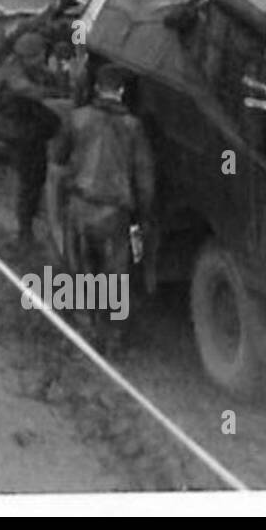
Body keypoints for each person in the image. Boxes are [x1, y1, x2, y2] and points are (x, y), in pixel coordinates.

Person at [49, 64, 155, 348]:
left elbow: (57, 165)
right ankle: (113, 337)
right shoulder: (133, 127)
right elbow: (144, 179)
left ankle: (84, 330)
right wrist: (143, 220)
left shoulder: (76, 119)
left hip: (79, 207)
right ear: (121, 91)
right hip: (114, 214)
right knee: (115, 276)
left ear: (97, 88)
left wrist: (56, 210)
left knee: (80, 270)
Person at [0, 32, 63, 247]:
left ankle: (32, 222)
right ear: (28, 57)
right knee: (29, 183)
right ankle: (24, 233)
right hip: (21, 135)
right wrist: (54, 94)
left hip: (31, 132)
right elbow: (26, 90)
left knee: (36, 180)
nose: (43, 60)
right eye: (39, 56)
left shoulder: (30, 69)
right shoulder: (14, 75)